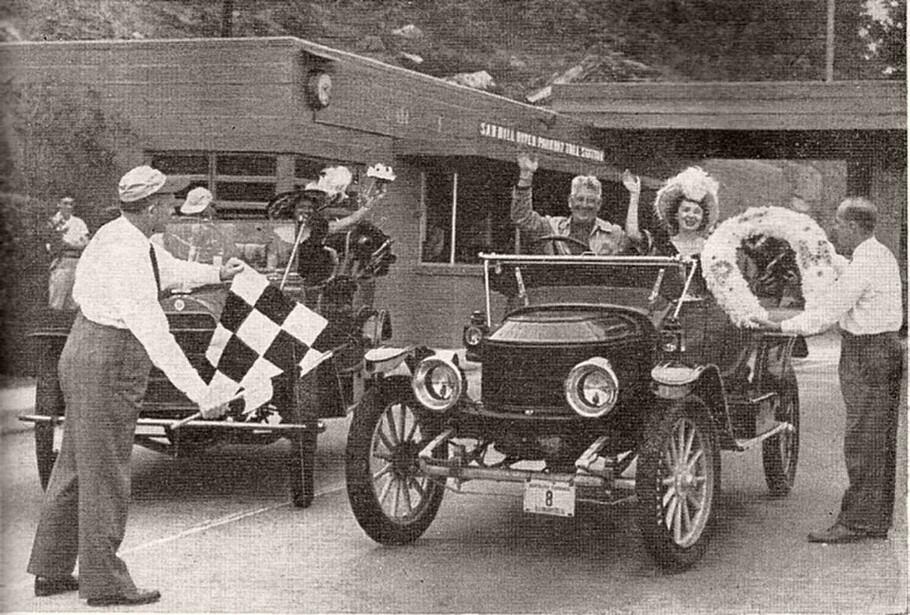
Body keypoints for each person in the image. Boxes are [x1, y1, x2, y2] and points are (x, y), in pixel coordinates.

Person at [27, 166, 244, 606]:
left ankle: (50, 570)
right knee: (106, 474)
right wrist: (202, 394)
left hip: (85, 349)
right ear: (150, 207)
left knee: (73, 468)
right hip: (108, 358)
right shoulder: (128, 251)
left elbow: (168, 269)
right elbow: (156, 334)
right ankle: (105, 584)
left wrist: (218, 272)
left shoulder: (121, 235)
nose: (175, 206)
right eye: (168, 201)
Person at [751, 197, 903, 544]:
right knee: (876, 441)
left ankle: (857, 522)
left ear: (852, 226)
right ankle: (873, 518)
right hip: (879, 350)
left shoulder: (866, 264)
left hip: (868, 354)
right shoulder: (876, 254)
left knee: (862, 441)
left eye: (837, 223)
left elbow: (825, 314)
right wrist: (819, 250)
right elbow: (845, 270)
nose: (835, 229)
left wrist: (776, 324)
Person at [511, 153, 644, 255]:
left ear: (599, 205)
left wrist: (634, 195)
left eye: (591, 201)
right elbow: (522, 218)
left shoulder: (614, 234)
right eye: (580, 199)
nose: (584, 205)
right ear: (570, 201)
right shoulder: (552, 227)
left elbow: (633, 238)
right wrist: (526, 175)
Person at [626, 166, 719, 259]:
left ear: (703, 217)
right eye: (686, 210)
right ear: (675, 214)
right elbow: (633, 234)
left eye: (697, 212)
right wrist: (634, 195)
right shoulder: (661, 244)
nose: (691, 215)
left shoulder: (710, 248)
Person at [47, 196, 90, 310]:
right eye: (65, 203)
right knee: (57, 299)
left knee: (74, 301)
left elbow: (85, 244)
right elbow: (54, 246)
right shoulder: (52, 223)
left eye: (71, 204)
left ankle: (69, 326)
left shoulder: (79, 222)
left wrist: (69, 245)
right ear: (59, 204)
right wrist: (73, 244)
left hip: (76, 262)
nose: (68, 207)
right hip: (61, 262)